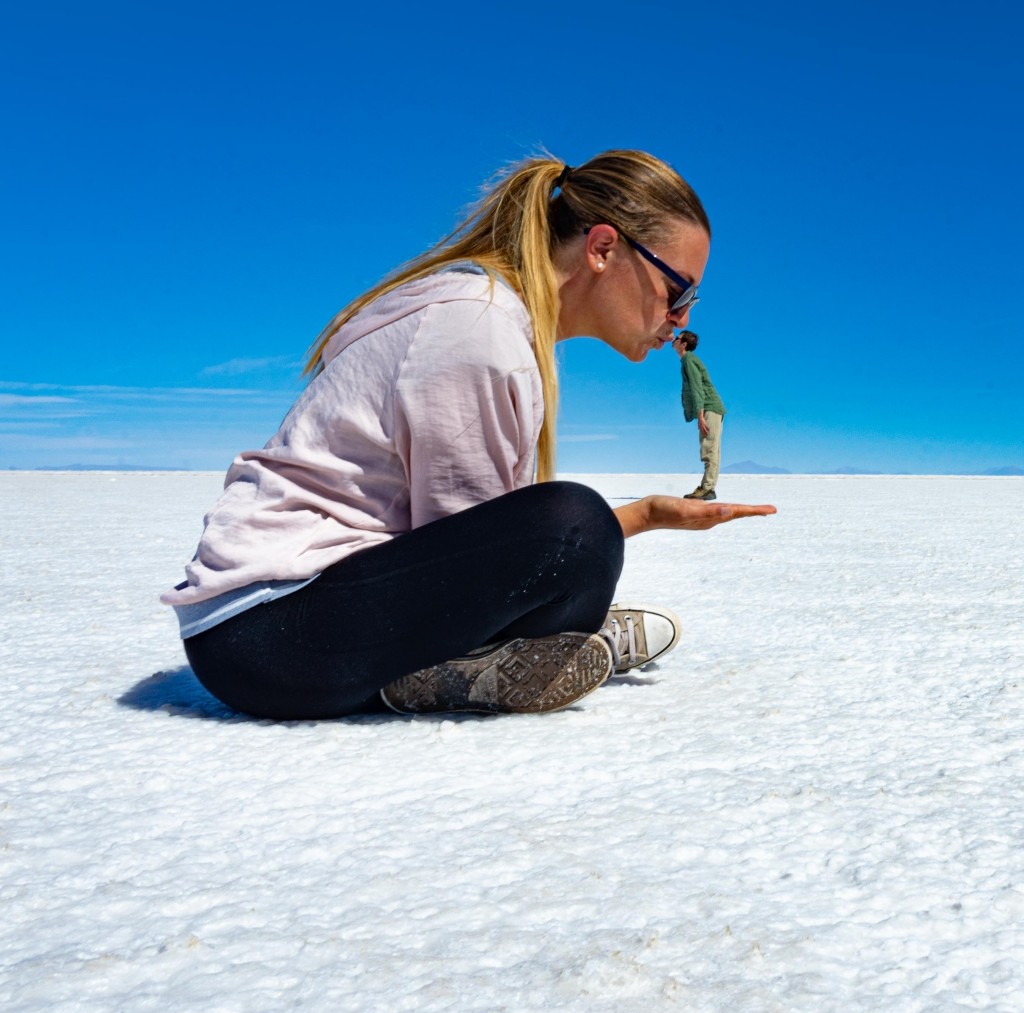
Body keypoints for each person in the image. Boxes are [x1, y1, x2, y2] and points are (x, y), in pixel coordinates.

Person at [162, 150, 776, 720]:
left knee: (575, 539)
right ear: (603, 248)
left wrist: (641, 517)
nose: (683, 318)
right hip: (270, 635)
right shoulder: (478, 332)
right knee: (574, 527)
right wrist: (593, 543)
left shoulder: (494, 320)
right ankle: (491, 661)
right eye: (679, 289)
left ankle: (514, 654)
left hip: (284, 626)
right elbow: (475, 544)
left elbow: (480, 546)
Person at [673, 330, 726, 500]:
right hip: (711, 408)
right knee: (711, 449)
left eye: (677, 338)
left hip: (709, 408)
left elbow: (697, 388)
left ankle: (707, 489)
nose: (673, 340)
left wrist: (700, 414)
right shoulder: (687, 361)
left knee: (709, 448)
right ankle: (708, 487)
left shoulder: (688, 360)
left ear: (684, 344)